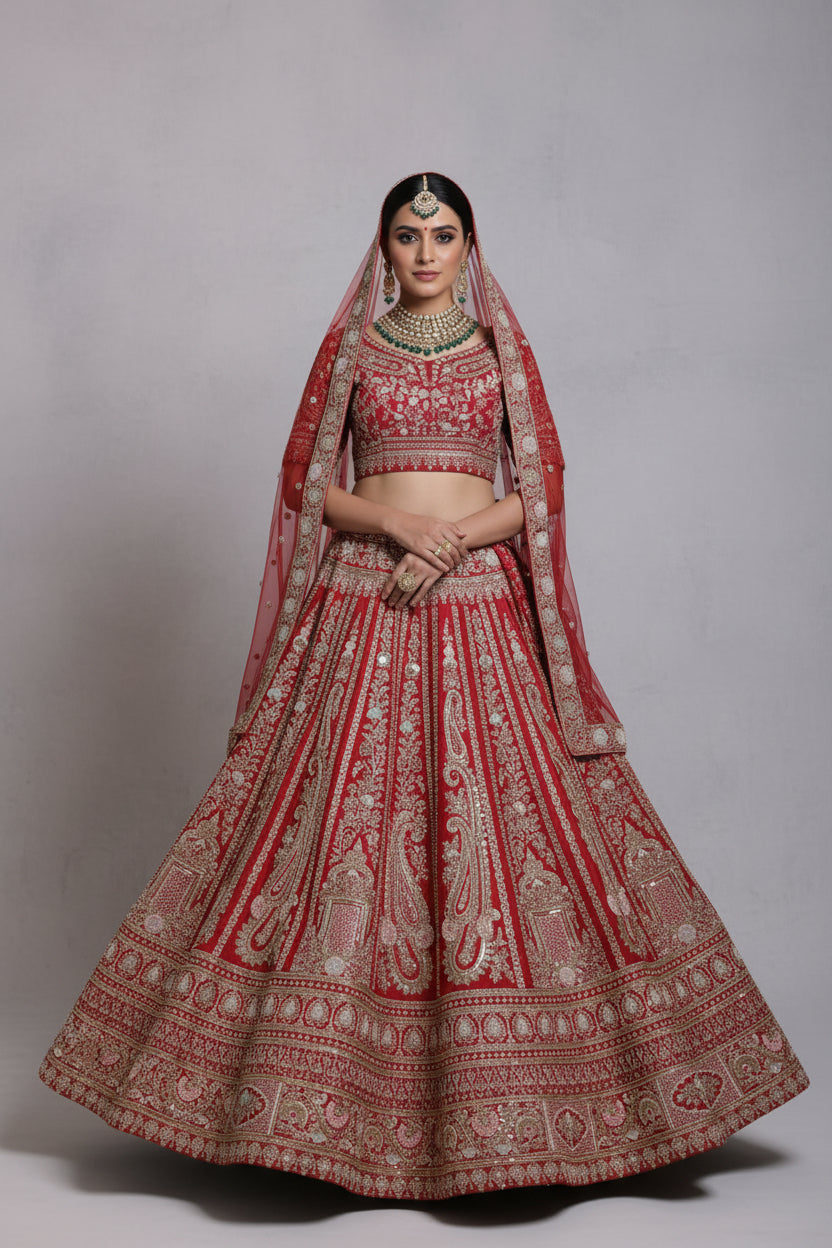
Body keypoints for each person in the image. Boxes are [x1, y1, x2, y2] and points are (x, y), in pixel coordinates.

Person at [38, 172, 808, 1201]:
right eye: (408, 235)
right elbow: (306, 483)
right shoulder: (353, 349)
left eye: (443, 234)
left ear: (470, 243)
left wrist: (449, 539)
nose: (426, 251)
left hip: (481, 599)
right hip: (366, 596)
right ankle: (304, 1108)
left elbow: (541, 486)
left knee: (512, 823)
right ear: (384, 248)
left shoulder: (501, 354)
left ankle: (537, 1106)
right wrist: (398, 526)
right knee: (335, 822)